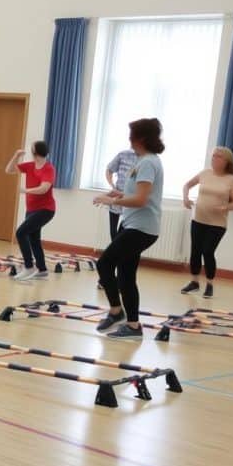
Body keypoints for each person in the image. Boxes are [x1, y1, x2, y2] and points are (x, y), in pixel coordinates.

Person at [92, 118, 166, 339]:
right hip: (133, 225)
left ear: (141, 138)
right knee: (125, 275)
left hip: (141, 228)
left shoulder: (148, 163)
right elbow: (138, 195)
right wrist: (120, 195)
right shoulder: (144, 160)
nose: (129, 139)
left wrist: (111, 202)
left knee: (104, 263)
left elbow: (142, 200)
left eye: (131, 135)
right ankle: (133, 325)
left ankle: (117, 311)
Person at [181, 146, 233, 298]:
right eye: (213, 156)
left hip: (217, 223)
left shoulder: (231, 180)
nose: (214, 159)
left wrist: (225, 207)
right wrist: (185, 198)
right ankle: (194, 282)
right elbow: (187, 185)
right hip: (198, 219)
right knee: (195, 251)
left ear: (226, 161)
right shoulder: (205, 173)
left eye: (218, 157)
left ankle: (209, 284)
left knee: (207, 252)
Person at [5, 141, 56, 280]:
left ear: (35, 152)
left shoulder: (48, 168)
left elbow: (44, 188)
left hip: (46, 210)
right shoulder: (30, 166)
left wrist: (25, 190)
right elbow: (8, 170)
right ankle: (42, 269)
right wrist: (16, 155)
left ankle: (29, 267)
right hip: (32, 209)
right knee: (34, 239)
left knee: (20, 233)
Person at [104, 148, 137, 240]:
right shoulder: (123, 154)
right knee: (113, 232)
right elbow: (109, 170)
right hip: (117, 197)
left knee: (123, 232)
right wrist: (113, 186)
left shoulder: (146, 159)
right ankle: (116, 252)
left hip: (131, 199)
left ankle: (119, 252)